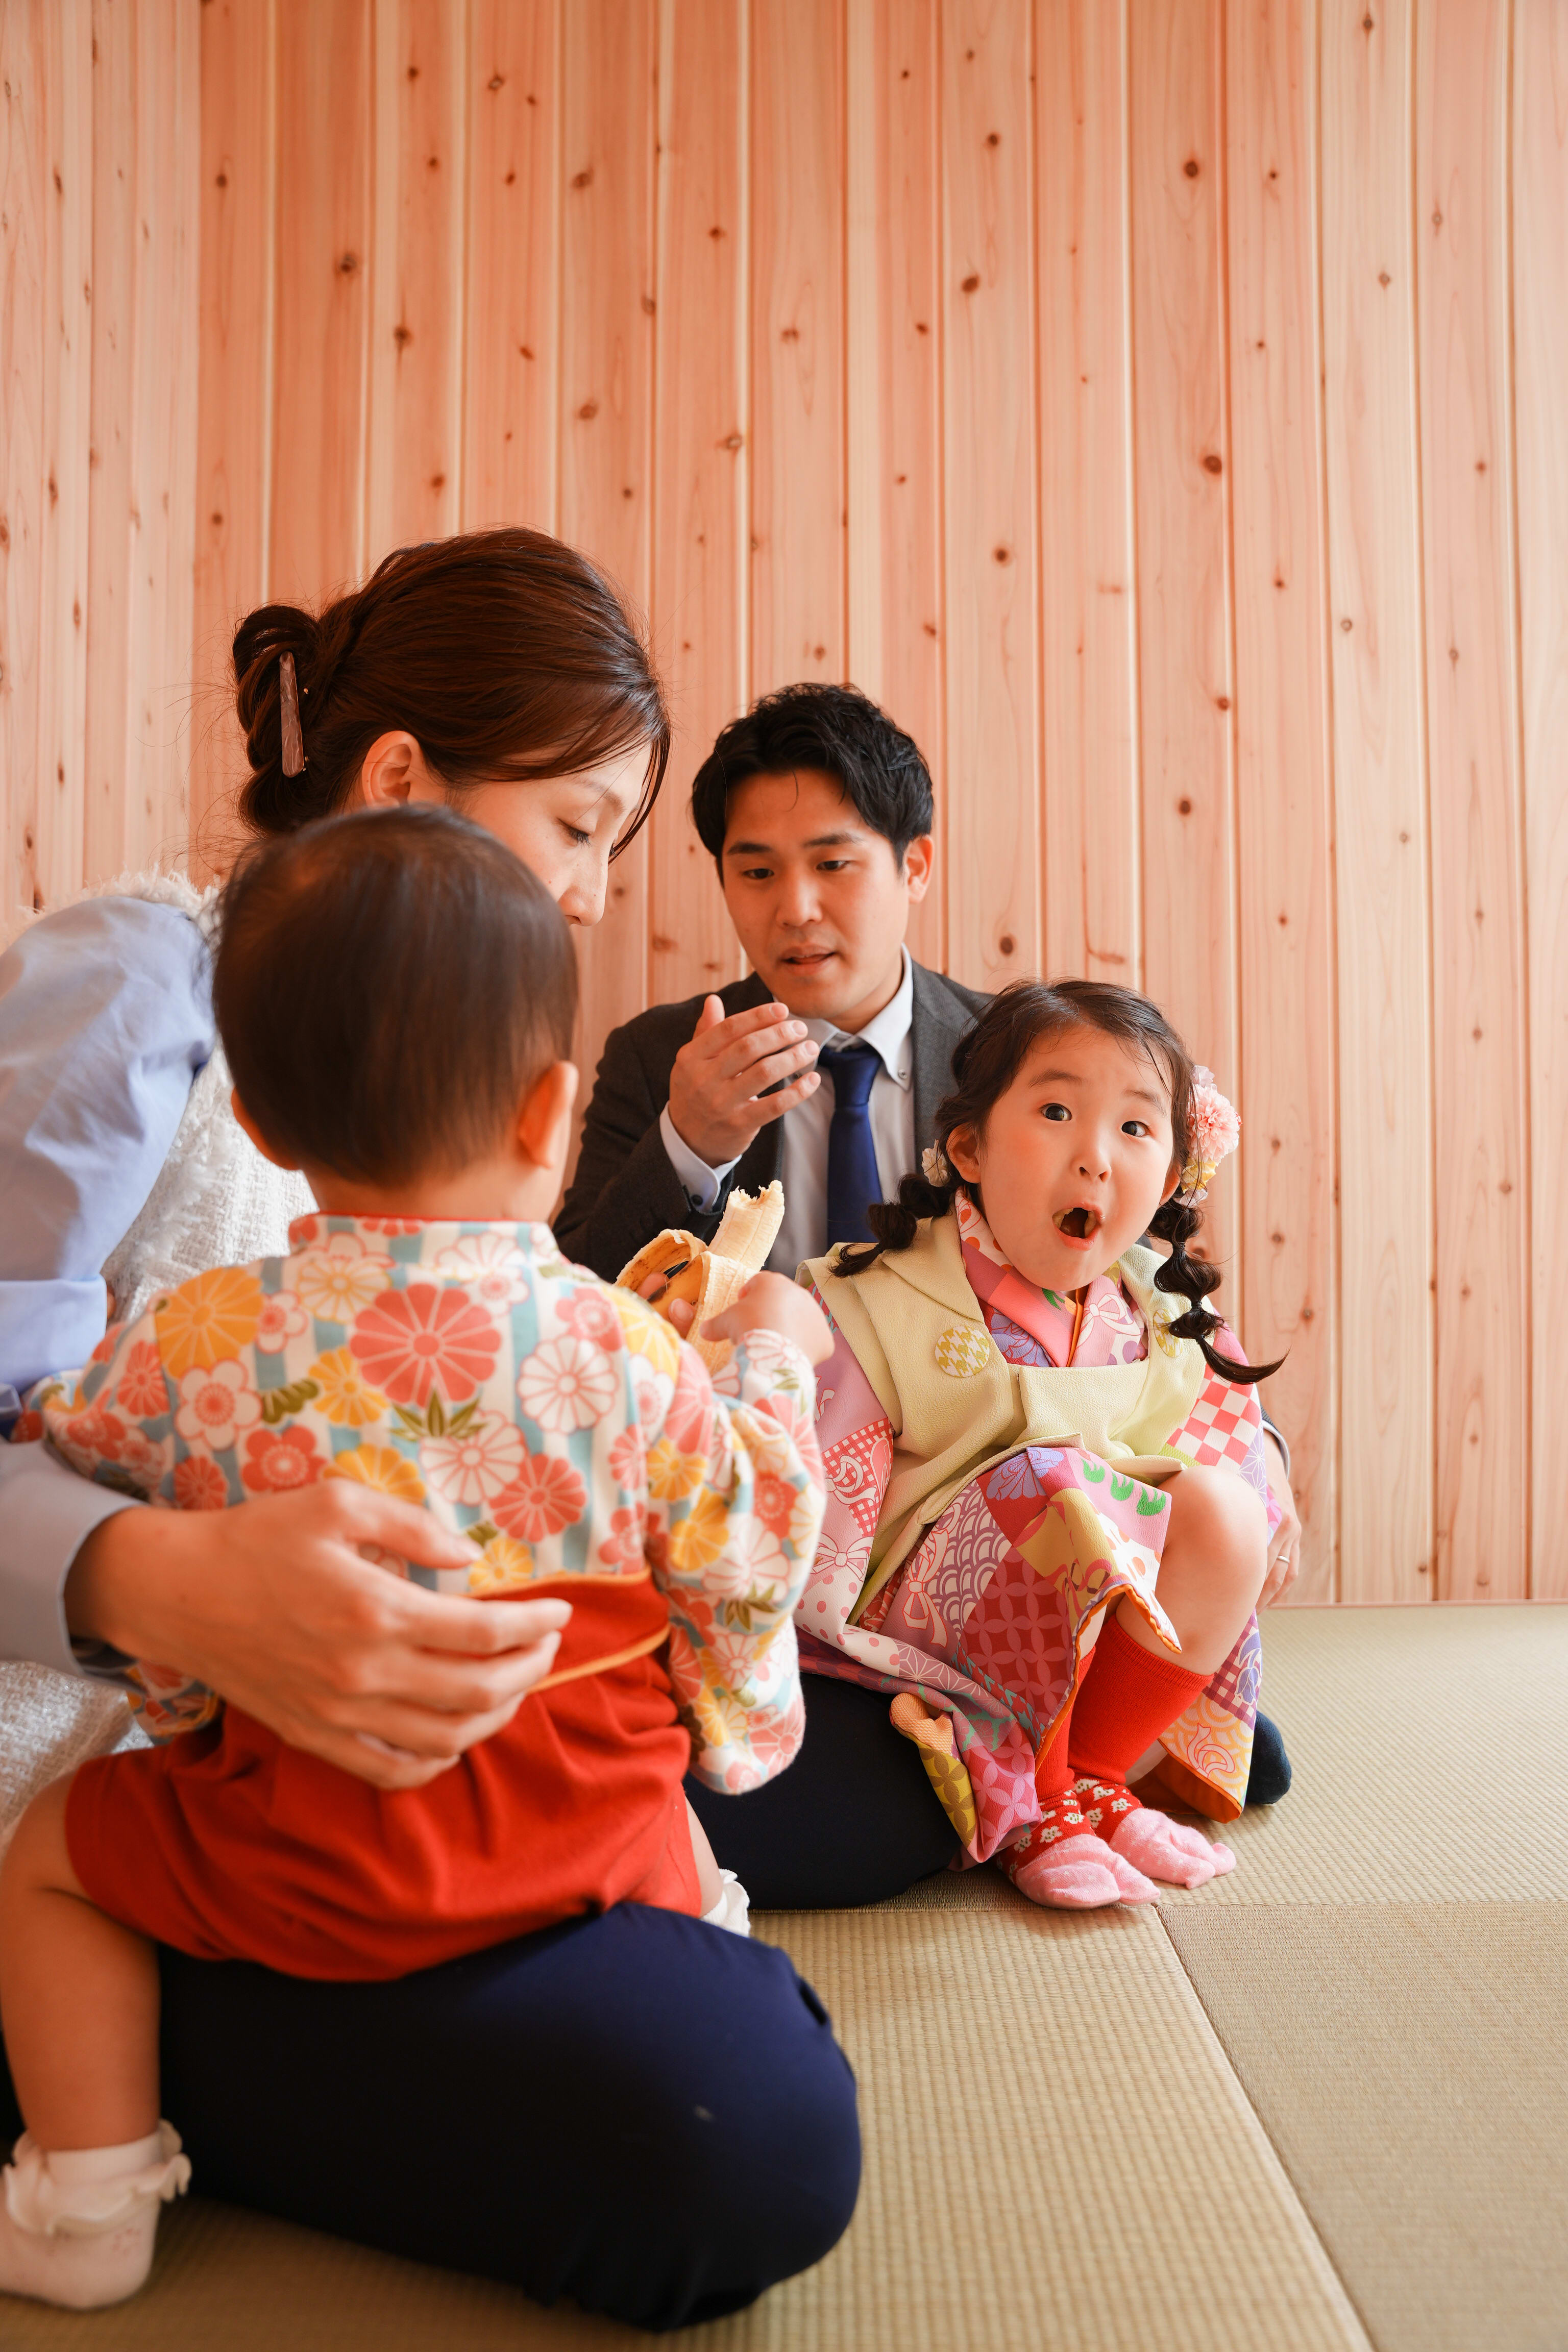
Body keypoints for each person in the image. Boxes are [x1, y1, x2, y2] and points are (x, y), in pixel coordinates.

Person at [0, 532, 859, 2331]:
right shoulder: (148, 975)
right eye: (575, 827)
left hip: (363, 1750)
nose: (593, 896)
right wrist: (158, 1573)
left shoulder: (374, 1107)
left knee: (855, 1779)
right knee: (740, 2126)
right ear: (400, 778)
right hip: (152, 1750)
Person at [556, 684, 1298, 1901]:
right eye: (755, 873)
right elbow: (572, 1309)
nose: (793, 910)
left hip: (1009, 1481)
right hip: (783, 1512)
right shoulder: (663, 1053)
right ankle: (993, 1762)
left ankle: (1046, 1768)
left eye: (834, 864)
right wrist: (687, 1142)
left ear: (916, 865)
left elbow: (1134, 1266)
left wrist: (1240, 1433)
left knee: (1231, 1714)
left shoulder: (1019, 1053)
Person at [792, 979, 1283, 1908]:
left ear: (1178, 1169)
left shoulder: (1164, 1311)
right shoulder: (877, 1298)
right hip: (925, 1627)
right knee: (1054, 1484)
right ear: (968, 1148)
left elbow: (1225, 1474)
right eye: (1057, 1111)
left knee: (1225, 1506)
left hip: (1102, 1629)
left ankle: (1086, 1780)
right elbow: (824, 1492)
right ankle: (1034, 1801)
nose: (1095, 1158)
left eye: (1136, 1130)